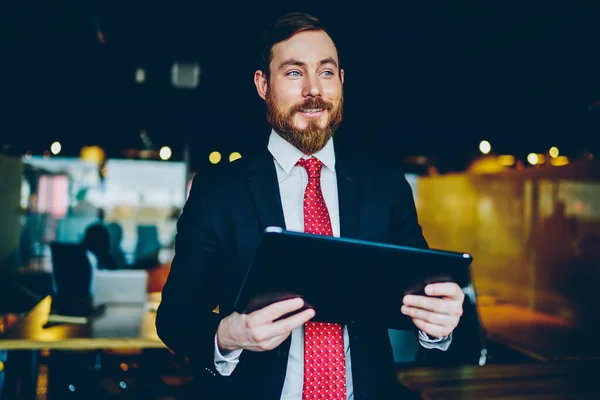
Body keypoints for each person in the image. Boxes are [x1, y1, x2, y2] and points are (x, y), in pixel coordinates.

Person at [156, 12, 465, 400]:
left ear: (341, 81)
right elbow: (175, 318)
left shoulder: (385, 187)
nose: (314, 90)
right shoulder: (218, 192)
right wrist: (227, 335)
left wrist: (438, 323)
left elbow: (419, 297)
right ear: (263, 85)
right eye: (294, 73)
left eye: (326, 72)